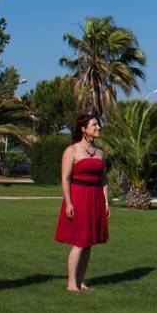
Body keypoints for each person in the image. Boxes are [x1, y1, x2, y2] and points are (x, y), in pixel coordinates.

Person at [55, 114, 110, 292]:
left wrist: (106, 203)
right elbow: (65, 178)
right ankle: (72, 284)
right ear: (83, 129)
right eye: (94, 125)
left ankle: (80, 281)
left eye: (98, 124)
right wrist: (69, 203)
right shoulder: (71, 150)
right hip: (78, 197)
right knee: (79, 241)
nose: (98, 127)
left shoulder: (101, 153)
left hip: (95, 197)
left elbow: (104, 180)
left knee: (89, 242)